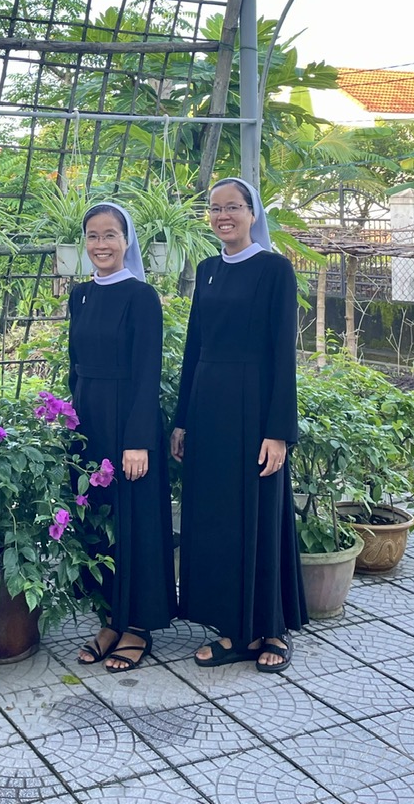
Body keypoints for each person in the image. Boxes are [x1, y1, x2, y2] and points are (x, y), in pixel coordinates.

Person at [170, 177, 307, 673]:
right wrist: (182, 421)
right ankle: (231, 626)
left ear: (252, 213)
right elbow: (194, 349)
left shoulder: (275, 269)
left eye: (233, 207)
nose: (223, 216)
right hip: (208, 409)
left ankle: (270, 628)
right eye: (215, 208)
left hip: (254, 411)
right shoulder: (207, 270)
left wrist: (279, 431)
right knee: (217, 517)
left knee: (259, 512)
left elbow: (283, 355)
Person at [68, 201, 177, 671]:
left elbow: (147, 372)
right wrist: (71, 423)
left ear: (126, 240)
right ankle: (110, 619)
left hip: (129, 422)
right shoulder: (80, 295)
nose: (101, 244)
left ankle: (138, 627)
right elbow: (74, 365)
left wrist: (138, 441)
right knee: (99, 521)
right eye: (93, 235)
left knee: (134, 522)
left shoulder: (141, 296)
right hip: (89, 423)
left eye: (110, 235)